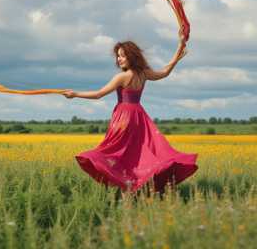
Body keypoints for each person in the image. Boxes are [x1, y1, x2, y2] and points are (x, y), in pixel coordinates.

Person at [62, 31, 198, 199]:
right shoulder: (143, 74)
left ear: (131, 57)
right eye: (118, 56)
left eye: (122, 56)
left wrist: (75, 94)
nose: (119, 59)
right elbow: (164, 72)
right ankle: (135, 187)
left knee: (115, 152)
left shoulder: (122, 77)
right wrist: (178, 51)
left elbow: (99, 94)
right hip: (139, 117)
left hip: (124, 119)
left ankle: (127, 188)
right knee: (137, 153)